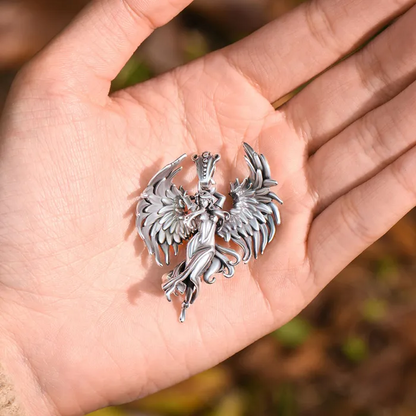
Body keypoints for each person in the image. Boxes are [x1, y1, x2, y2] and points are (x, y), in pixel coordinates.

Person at [0, 0, 415, 414]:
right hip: (199, 243)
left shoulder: (223, 213)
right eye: (206, 194)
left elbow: (237, 206)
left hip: (208, 245)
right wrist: (21, 346)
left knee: (201, 260)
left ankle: (185, 279)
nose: (208, 196)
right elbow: (178, 207)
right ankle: (184, 279)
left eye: (210, 194)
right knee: (197, 261)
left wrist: (21, 357)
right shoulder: (187, 210)